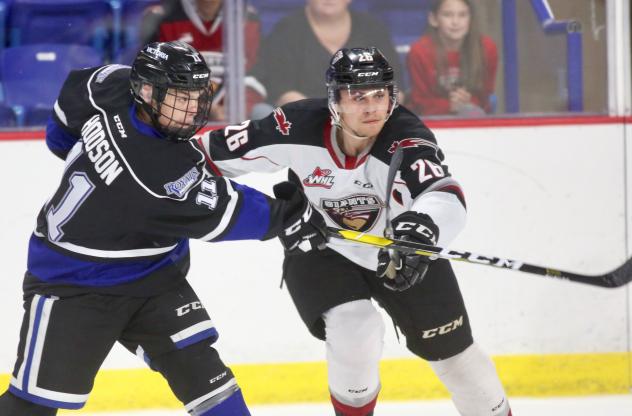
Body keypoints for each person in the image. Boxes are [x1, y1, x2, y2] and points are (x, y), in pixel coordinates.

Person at [0, 41, 325, 416]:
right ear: (148, 92)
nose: (193, 108)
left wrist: (98, 170)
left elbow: (68, 110)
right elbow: (230, 212)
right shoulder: (156, 173)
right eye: (180, 97)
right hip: (75, 283)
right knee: (30, 408)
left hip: (153, 276)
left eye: (197, 96)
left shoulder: (112, 86)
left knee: (210, 382)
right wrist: (293, 214)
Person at [198, 47, 513, 416]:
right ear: (334, 100)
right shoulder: (294, 126)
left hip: (401, 248)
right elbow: (205, 153)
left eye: (380, 94)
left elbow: (444, 194)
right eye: (358, 96)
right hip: (319, 244)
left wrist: (420, 231)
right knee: (355, 329)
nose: (371, 107)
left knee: (459, 359)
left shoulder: (406, 139)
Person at [249, 0, 403, 109]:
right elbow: (281, 92)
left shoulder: (373, 29)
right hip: (305, 123)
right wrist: (332, 115)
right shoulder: (285, 31)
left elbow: (394, 86)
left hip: (367, 119)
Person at [149, 0, 262, 120]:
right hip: (180, 116)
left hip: (234, 114)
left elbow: (257, 75)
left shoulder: (248, 18)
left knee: (262, 112)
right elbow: (151, 78)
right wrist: (201, 106)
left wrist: (240, 108)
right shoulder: (161, 18)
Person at [406, 0, 498, 116]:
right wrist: (450, 105)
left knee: (472, 113)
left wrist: (468, 101)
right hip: (429, 118)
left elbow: (486, 97)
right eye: (447, 15)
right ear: (433, 19)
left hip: (471, 113)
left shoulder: (486, 48)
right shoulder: (419, 51)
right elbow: (419, 102)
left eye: (462, 15)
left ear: (470, 19)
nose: (455, 22)